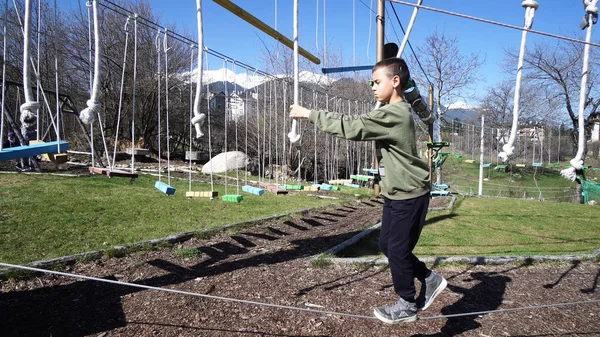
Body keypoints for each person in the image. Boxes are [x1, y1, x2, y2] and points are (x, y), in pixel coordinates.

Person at [289, 57, 446, 324]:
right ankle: (430, 279)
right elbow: (363, 122)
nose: (372, 87)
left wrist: (309, 114)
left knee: (396, 249)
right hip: (398, 192)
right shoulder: (393, 111)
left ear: (395, 82)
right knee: (387, 244)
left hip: (410, 193)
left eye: (377, 82)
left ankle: (407, 304)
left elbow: (352, 127)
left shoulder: (393, 114)